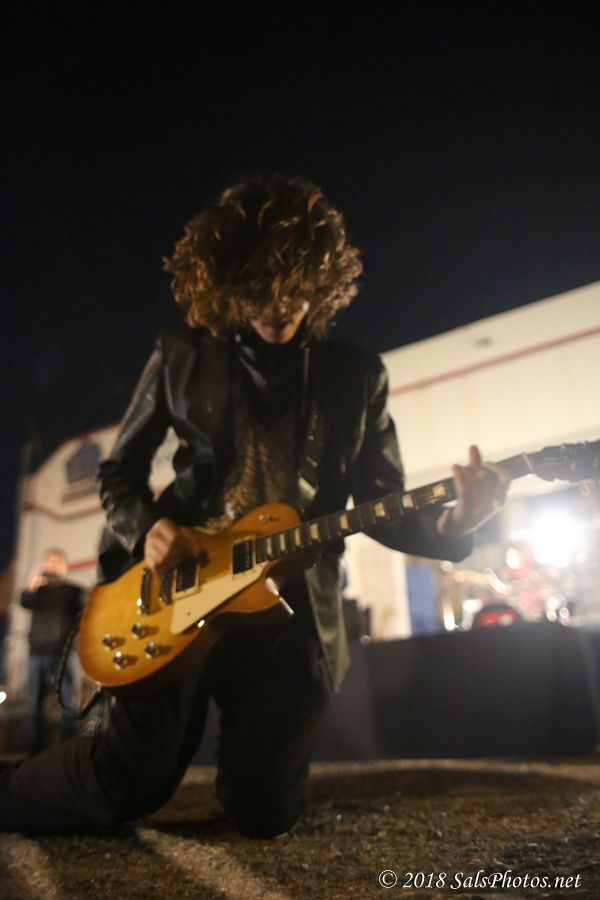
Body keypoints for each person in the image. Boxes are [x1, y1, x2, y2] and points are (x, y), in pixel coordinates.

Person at [0, 174, 510, 836]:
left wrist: (456, 524)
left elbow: (383, 504)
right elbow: (119, 471)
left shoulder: (356, 377)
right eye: (258, 289)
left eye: (294, 286)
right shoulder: (181, 356)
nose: (278, 305)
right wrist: (150, 527)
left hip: (290, 610)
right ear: (225, 284)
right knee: (123, 785)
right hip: (178, 592)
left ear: (321, 281)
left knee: (264, 812)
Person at [19, 549, 83, 754]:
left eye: (57, 562)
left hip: (63, 653)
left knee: (67, 702)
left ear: (65, 566)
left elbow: (85, 613)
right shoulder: (37, 591)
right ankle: (32, 752)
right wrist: (34, 579)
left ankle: (67, 750)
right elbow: (24, 600)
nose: (52, 566)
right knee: (33, 704)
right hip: (36, 652)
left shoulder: (73, 591)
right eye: (49, 562)